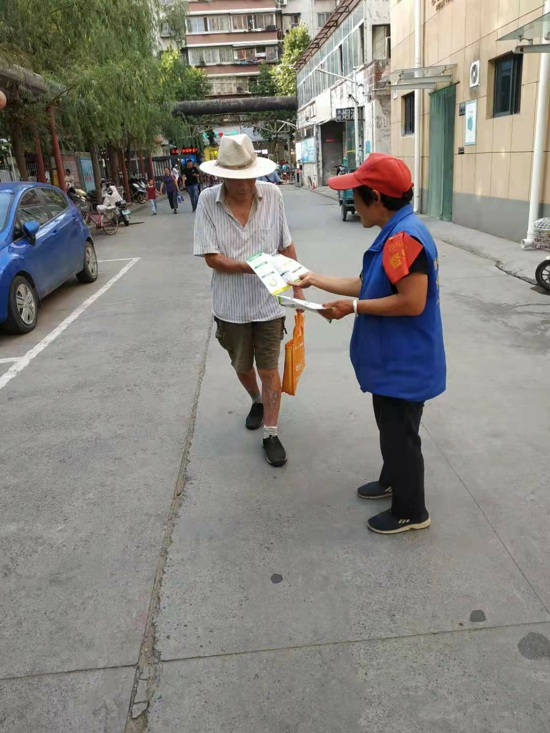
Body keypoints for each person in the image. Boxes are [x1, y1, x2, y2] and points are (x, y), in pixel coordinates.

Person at [299, 153, 446, 535]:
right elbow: (368, 283)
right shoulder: (396, 231)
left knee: (401, 433)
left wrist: (352, 308)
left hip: (404, 362)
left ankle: (411, 511)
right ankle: (392, 478)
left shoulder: (402, 240)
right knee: (391, 427)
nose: (350, 202)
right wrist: (313, 278)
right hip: (392, 361)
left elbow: (412, 301)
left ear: (377, 198)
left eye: (356, 196)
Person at [194, 133, 305, 467]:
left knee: (269, 368)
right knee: (242, 366)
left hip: (270, 303)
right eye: (235, 178)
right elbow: (212, 257)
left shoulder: (272, 195)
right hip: (230, 307)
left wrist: (298, 285)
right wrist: (253, 267)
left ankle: (271, 432)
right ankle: (256, 400)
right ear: (221, 175)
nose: (244, 184)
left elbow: (285, 243)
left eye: (249, 176)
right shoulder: (207, 202)